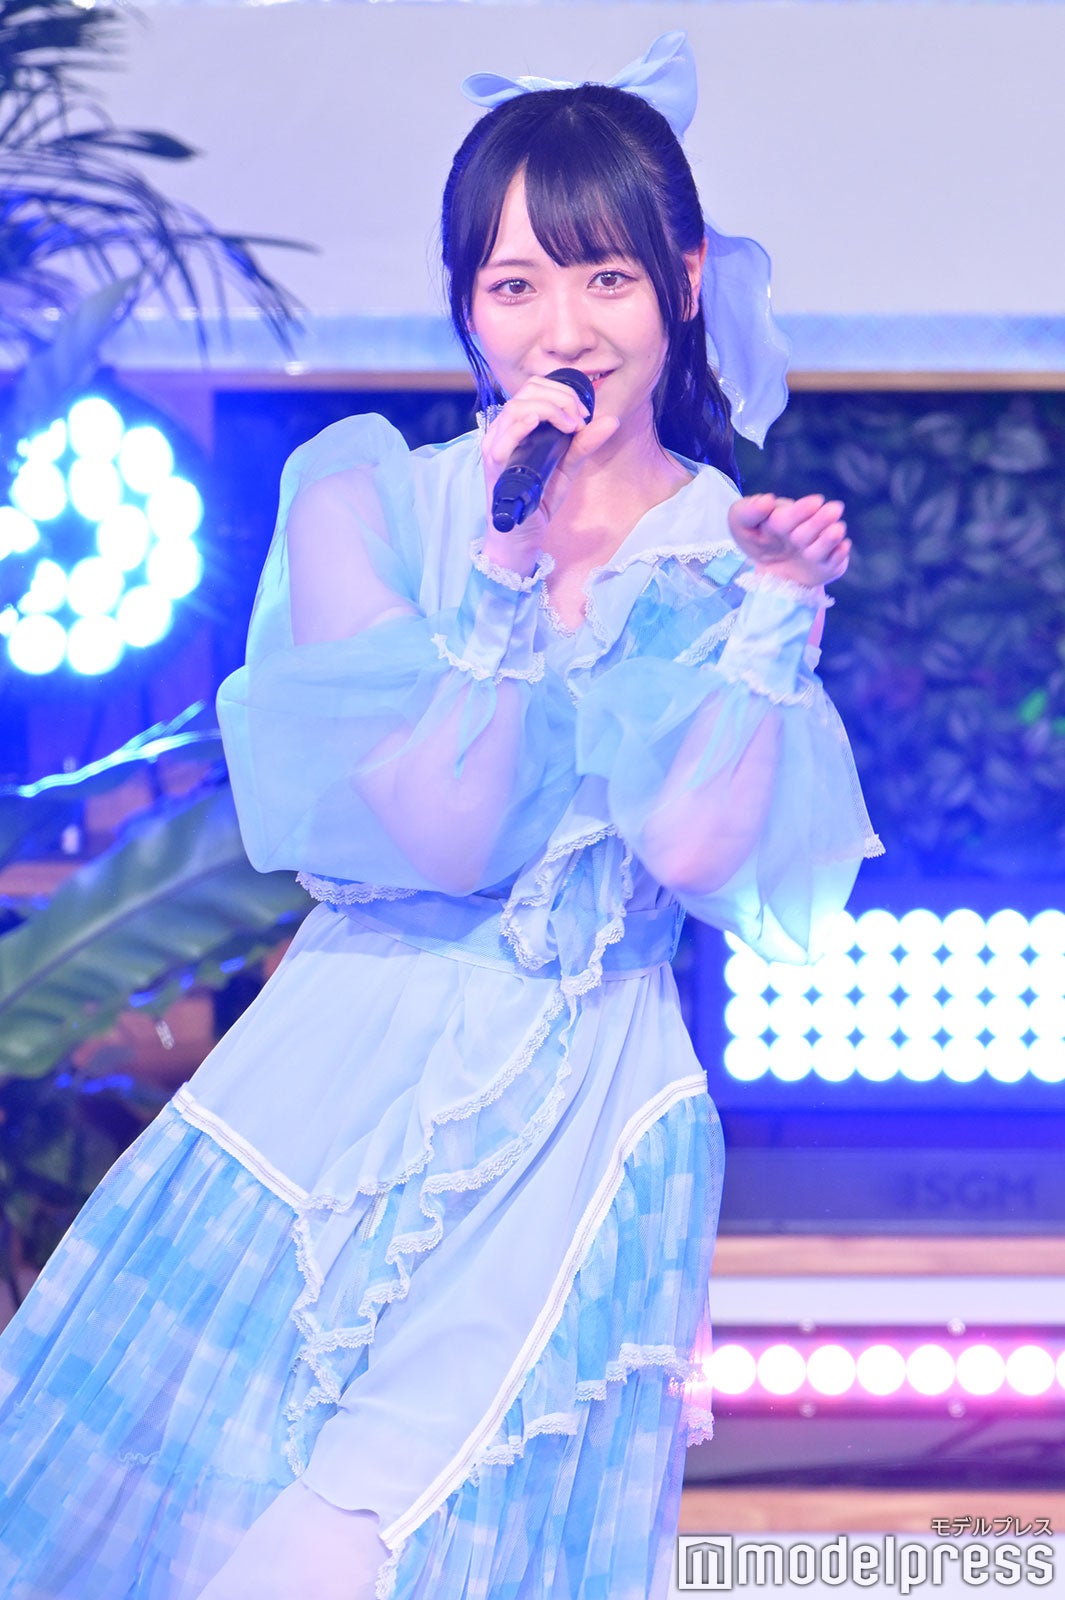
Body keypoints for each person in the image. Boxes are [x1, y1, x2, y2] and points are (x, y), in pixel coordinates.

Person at [0, 30, 881, 1600]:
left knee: (366, 1552)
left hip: (584, 1114)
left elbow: (694, 859)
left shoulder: (726, 544)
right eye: (516, 283)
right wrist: (496, 564)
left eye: (607, 279)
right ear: (467, 305)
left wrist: (772, 622)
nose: (564, 328)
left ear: (682, 284)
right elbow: (447, 836)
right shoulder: (366, 503)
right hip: (333, 1085)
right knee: (189, 1541)